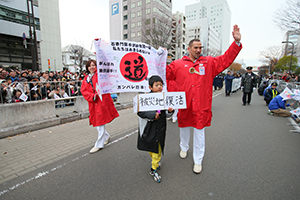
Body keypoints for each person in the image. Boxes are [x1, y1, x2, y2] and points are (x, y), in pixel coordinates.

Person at [166, 25, 242, 174]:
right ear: (189, 48)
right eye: (195, 47)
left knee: (199, 132)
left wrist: (236, 43)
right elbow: (164, 75)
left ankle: (198, 160)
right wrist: (159, 58)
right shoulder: (178, 64)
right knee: (184, 127)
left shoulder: (209, 63)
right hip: (185, 104)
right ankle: (184, 147)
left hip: (201, 105)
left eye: (200, 47)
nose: (198, 50)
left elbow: (226, 60)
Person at [137, 75, 174, 183]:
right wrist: (152, 115)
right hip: (149, 129)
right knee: (151, 148)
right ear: (150, 87)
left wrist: (170, 111)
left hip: (160, 129)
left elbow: (167, 115)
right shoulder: (146, 98)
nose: (159, 87)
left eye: (161, 85)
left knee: (157, 150)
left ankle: (154, 167)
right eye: (156, 85)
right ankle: (154, 165)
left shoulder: (164, 97)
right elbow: (140, 112)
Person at [81, 60, 119, 154]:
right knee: (97, 123)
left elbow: (106, 82)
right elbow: (84, 90)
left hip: (101, 102)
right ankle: (106, 136)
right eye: (89, 66)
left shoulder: (100, 75)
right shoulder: (86, 78)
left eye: (93, 65)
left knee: (100, 122)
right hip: (93, 102)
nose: (92, 67)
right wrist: (91, 96)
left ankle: (99, 144)